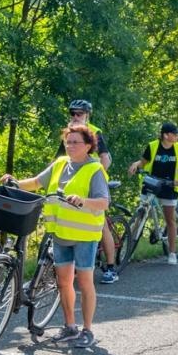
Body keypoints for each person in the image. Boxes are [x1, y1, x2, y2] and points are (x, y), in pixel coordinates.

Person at [5, 124, 110, 348]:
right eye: (67, 141)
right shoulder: (60, 164)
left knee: (84, 282)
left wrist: (82, 201)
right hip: (60, 234)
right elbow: (35, 183)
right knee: (63, 283)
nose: (70, 146)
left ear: (88, 146)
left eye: (75, 142)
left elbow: (103, 202)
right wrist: (13, 183)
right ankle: (70, 327)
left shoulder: (95, 169)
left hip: (84, 236)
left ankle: (87, 330)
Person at [56, 99, 120, 283]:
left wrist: (96, 176)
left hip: (93, 185)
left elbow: (105, 159)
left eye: (80, 114)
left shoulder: (94, 132)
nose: (76, 117)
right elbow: (59, 160)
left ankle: (110, 268)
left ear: (87, 115)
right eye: (73, 114)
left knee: (102, 226)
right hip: (72, 186)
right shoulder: (69, 133)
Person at [126, 121, 178, 264]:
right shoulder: (152, 146)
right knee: (139, 217)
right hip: (152, 184)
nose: (177, 136)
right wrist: (136, 165)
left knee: (170, 220)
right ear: (166, 135)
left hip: (170, 186)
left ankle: (172, 253)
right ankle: (128, 251)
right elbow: (143, 162)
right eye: (175, 134)